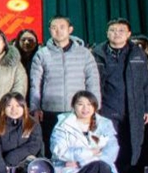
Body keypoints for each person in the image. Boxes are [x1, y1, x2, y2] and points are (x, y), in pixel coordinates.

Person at [92, 18, 148, 173]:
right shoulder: (97, 54)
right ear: (107, 33)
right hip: (107, 111)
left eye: (121, 31)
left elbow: (146, 84)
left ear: (128, 34)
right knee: (108, 150)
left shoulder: (137, 54)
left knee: (132, 151)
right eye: (113, 30)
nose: (116, 34)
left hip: (133, 111)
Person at [29, 16, 101, 157]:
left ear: (70, 29)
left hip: (78, 111)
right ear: (49, 30)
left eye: (62, 27)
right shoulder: (41, 54)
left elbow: (93, 81)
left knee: (79, 150)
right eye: (54, 27)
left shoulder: (84, 54)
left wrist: (95, 108)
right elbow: (35, 84)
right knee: (52, 150)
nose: (58, 31)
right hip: (50, 111)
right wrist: (35, 108)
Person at [51, 91, 121, 173]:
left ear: (95, 107)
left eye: (89, 104)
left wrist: (81, 162)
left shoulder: (105, 124)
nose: (85, 108)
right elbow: (59, 150)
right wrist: (90, 153)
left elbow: (112, 150)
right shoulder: (63, 125)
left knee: (101, 166)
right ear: (73, 106)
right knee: (99, 166)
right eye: (80, 104)